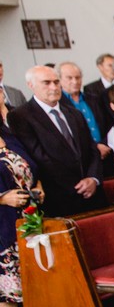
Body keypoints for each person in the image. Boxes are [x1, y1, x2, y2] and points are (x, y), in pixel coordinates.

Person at [8, 65, 107, 217]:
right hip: (59, 198)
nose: (54, 87)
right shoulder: (21, 116)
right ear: (31, 85)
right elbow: (38, 157)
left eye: (56, 81)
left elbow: (92, 149)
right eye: (46, 83)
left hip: (92, 194)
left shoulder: (74, 113)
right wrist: (76, 186)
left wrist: (93, 178)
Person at [0, 125, 42, 307]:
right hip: (2, 218)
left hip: (28, 213)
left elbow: (31, 164)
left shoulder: (7, 133)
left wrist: (38, 185)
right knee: (6, 270)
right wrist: (2, 198)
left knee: (32, 265)